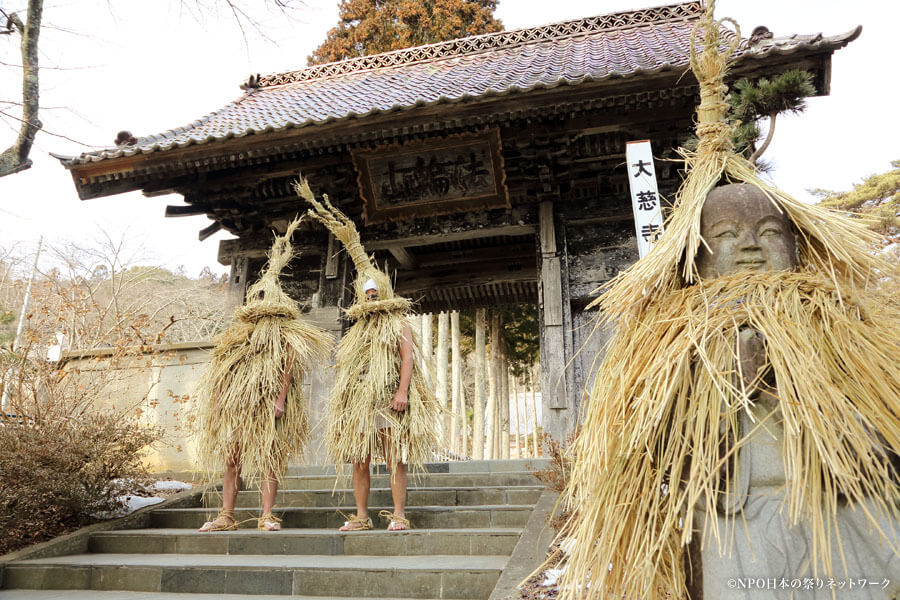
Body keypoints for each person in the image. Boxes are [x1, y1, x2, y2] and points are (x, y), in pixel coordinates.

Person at [295, 178, 442, 533]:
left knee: (393, 458)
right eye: (368, 293)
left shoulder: (399, 324)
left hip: (389, 398)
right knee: (359, 460)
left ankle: (399, 515)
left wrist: (402, 392)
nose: (372, 297)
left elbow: (407, 359)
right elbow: (344, 365)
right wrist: (344, 398)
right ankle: (361, 516)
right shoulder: (357, 328)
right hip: (359, 400)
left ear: (384, 292)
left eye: (376, 292)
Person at [194, 217, 332, 532]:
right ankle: (226, 516)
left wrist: (280, 400)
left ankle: (267, 515)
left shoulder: (284, 335)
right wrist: (217, 404)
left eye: (264, 297)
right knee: (232, 459)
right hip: (237, 404)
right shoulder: (235, 334)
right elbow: (221, 372)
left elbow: (287, 369)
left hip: (269, 403)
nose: (260, 302)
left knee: (269, 458)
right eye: (257, 297)